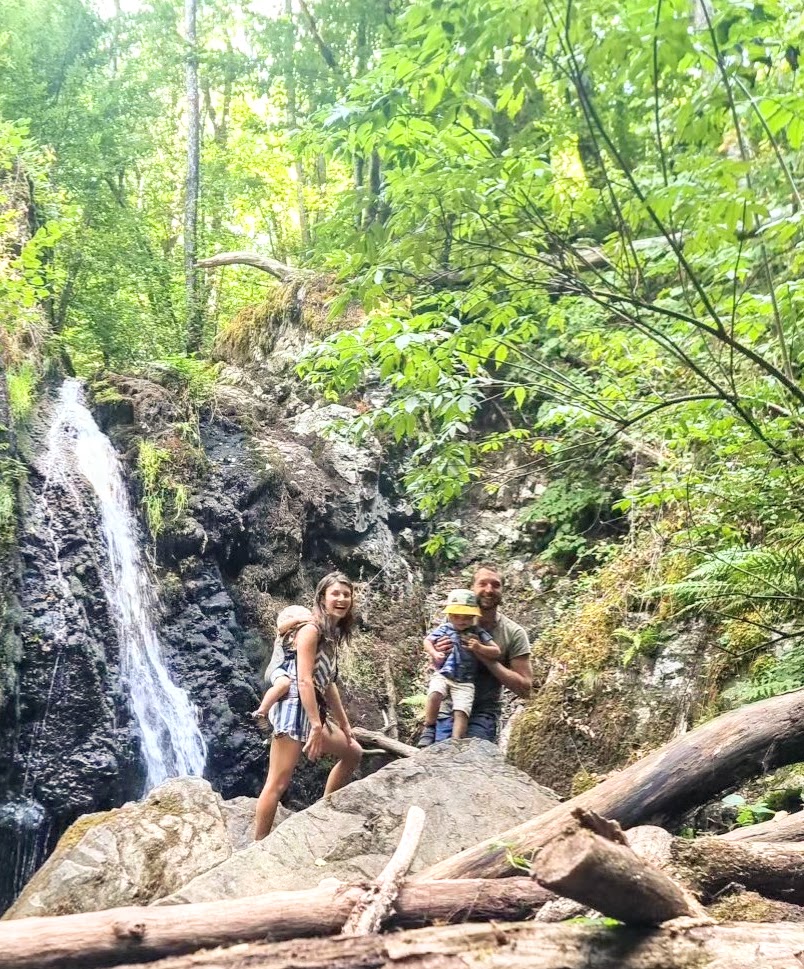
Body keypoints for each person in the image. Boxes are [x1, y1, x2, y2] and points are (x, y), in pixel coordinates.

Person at [254, 572, 363, 840]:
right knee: (277, 783)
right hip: (294, 710)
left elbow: (328, 683)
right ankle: (257, 845)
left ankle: (324, 812)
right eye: (335, 594)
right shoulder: (311, 630)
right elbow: (303, 679)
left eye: (346, 594)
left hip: (314, 710)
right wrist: (316, 726)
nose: (341, 599)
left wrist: (345, 724)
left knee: (353, 752)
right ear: (322, 598)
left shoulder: (331, 634)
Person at [423, 564, 532, 743]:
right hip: (447, 706)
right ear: (472, 588)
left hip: (484, 711)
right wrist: (438, 654)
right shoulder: (453, 620)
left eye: (495, 585)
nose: (489, 590)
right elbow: (436, 664)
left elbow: (526, 689)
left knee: (472, 755)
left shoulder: (513, 633)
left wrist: (483, 654)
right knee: (436, 754)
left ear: (503, 590)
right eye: (482, 584)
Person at [418, 590, 501, 746]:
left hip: (465, 681)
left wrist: (479, 647)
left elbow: (496, 651)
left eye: (467, 617)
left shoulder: (478, 632)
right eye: (457, 616)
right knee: (435, 694)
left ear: (474, 617)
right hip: (444, 673)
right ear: (450, 615)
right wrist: (435, 653)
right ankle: (429, 726)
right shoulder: (445, 628)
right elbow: (427, 641)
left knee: (461, 711)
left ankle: (456, 742)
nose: (462, 621)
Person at [252, 605, 313, 721]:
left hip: (293, 672)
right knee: (284, 683)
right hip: (279, 668)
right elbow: (280, 628)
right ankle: (262, 710)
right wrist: (298, 619)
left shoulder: (304, 636)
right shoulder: (283, 634)